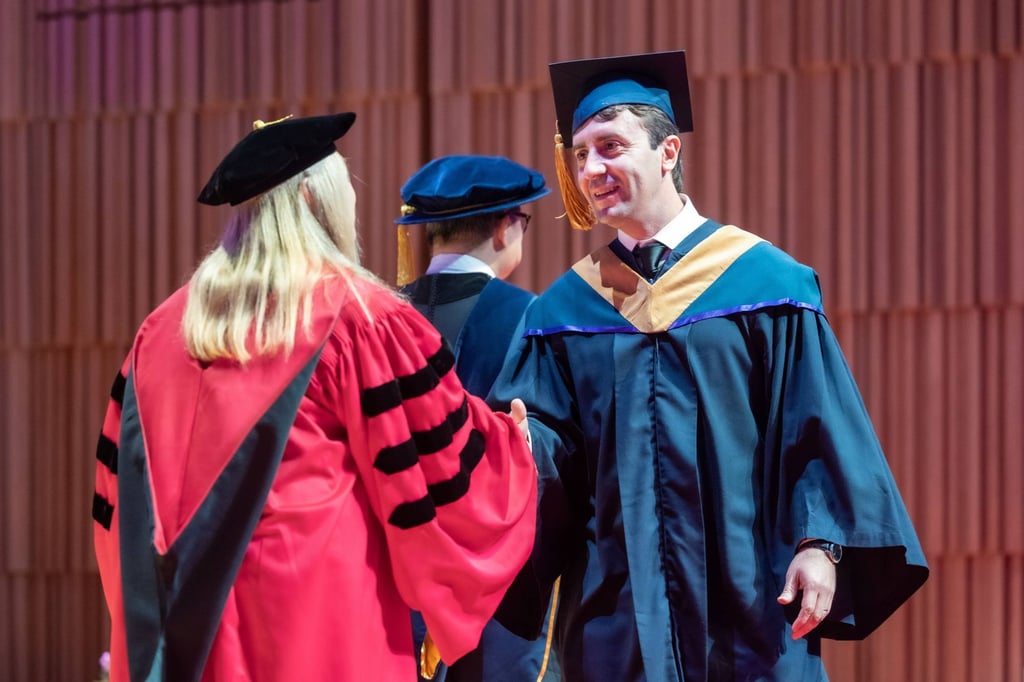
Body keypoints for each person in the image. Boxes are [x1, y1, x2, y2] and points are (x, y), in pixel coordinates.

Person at [490, 50, 929, 681]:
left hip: (749, 602)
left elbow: (816, 427)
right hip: (617, 614)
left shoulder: (767, 284)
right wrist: (518, 443)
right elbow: (548, 461)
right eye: (580, 154)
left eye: (611, 146)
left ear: (667, 152)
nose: (591, 169)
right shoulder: (564, 311)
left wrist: (820, 545)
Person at [90, 113, 538, 682]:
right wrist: (508, 445)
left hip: (183, 628)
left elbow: (116, 509)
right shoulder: (357, 318)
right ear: (311, 197)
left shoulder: (159, 332)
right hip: (312, 624)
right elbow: (434, 473)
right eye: (344, 188)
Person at [396, 154, 560, 681]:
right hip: (497, 587)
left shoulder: (374, 319)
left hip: (397, 581)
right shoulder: (535, 318)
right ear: (505, 225)